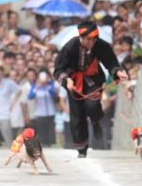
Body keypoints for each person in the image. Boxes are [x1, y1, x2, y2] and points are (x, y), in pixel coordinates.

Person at [54, 21, 128, 158]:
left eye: (94, 39)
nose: (91, 42)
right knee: (77, 115)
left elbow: (110, 61)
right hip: (74, 82)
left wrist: (117, 72)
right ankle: (82, 148)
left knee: (92, 105)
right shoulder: (70, 46)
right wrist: (66, 80)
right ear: (81, 37)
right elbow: (58, 69)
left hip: (93, 79)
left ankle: (95, 121)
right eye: (88, 39)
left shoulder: (100, 45)